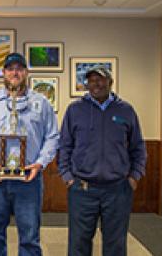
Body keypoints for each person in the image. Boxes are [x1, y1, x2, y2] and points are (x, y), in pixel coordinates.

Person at [0, 52, 59, 255]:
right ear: (3, 72)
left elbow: (52, 137)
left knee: (30, 235)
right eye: (10, 68)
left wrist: (39, 164)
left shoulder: (41, 103)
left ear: (26, 72)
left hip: (29, 178)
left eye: (19, 68)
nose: (15, 72)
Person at [58, 65, 147, 256]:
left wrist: (134, 176)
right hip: (82, 189)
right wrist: (67, 176)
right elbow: (64, 145)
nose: (96, 84)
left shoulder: (126, 110)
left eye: (100, 79)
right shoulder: (75, 110)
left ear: (110, 82)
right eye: (91, 80)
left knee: (115, 243)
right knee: (78, 243)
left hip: (117, 190)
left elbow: (138, 147)